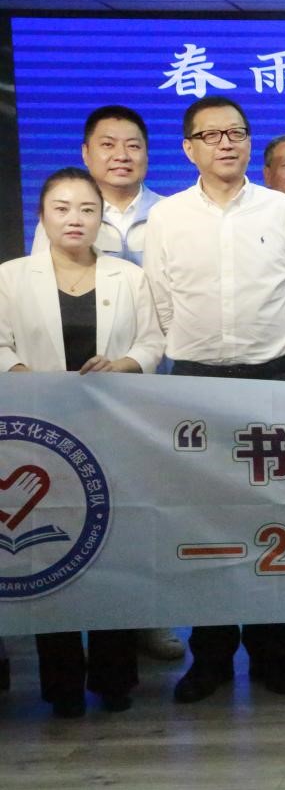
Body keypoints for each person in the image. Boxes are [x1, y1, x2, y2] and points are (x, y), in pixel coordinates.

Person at [144, 96, 285, 704]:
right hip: (195, 382)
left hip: (271, 380)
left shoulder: (282, 210)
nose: (226, 143)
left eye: (236, 133)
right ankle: (211, 656)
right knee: (204, 521)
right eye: (211, 135)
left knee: (274, 516)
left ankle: (272, 650)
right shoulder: (166, 217)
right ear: (188, 148)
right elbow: (160, 303)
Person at [0, 167, 165, 717]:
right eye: (62, 208)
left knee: (115, 549)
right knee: (53, 551)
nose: (75, 219)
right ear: (42, 215)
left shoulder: (129, 276)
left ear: (102, 220)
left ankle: (116, 679)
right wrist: (24, 373)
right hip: (41, 439)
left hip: (114, 430)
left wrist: (124, 363)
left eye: (87, 209)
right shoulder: (10, 277)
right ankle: (63, 683)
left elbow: (152, 341)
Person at [31, 105, 162, 266]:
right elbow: (40, 275)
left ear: (147, 154)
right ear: (85, 153)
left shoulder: (170, 212)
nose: (122, 156)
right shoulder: (63, 218)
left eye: (133, 146)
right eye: (108, 144)